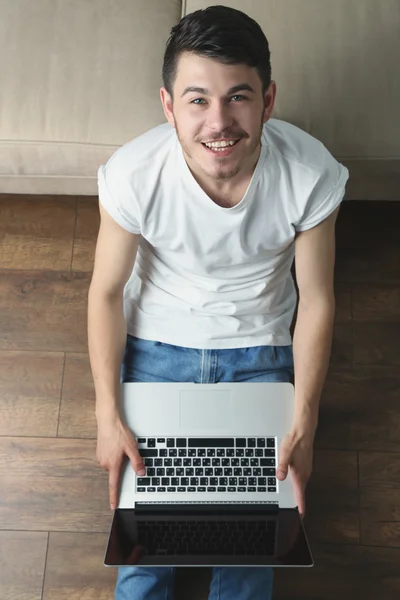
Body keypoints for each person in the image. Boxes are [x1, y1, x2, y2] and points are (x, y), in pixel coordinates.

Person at [87, 5, 349, 600]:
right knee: (144, 561)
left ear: (269, 98)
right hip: (156, 349)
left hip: (260, 351)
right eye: (198, 99)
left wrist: (305, 417)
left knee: (250, 556)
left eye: (239, 97)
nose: (220, 123)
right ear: (168, 104)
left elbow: (318, 300)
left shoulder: (311, 174)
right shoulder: (132, 174)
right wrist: (107, 413)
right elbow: (105, 293)